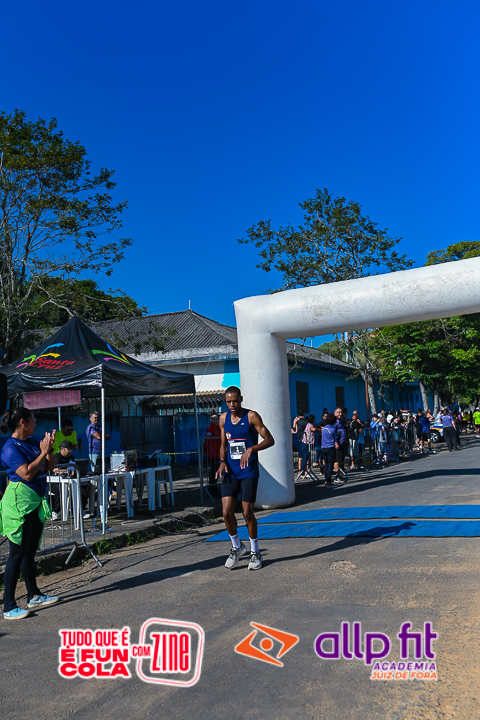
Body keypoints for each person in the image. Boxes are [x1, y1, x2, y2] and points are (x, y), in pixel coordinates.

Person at [0, 407, 58, 620]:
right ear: (23, 422)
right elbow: (25, 473)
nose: (36, 423)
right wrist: (42, 452)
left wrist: (49, 450)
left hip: (35, 502)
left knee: (29, 551)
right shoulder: (10, 448)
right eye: (33, 420)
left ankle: (33, 594)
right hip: (20, 503)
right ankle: (8, 606)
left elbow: (50, 466)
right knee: (16, 554)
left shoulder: (33, 441)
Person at [216, 386, 274, 571]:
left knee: (247, 512)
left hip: (248, 470)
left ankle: (255, 552)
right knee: (226, 512)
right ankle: (237, 546)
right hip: (231, 471)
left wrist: (251, 449)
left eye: (235, 401)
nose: (232, 404)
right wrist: (222, 462)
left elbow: (269, 439)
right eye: (229, 401)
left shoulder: (251, 416)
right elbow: (223, 444)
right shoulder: (223, 418)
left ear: (241, 399)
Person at [49, 440, 75, 520]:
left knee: (83, 487)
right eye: (69, 449)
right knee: (60, 488)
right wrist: (67, 472)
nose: (70, 451)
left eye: (71, 449)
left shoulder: (71, 457)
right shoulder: (56, 457)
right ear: (62, 449)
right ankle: (54, 511)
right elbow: (56, 470)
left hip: (67, 479)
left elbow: (74, 467)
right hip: (53, 480)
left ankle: (79, 509)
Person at [204, 413, 221, 495]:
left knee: (217, 471)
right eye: (213, 419)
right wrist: (205, 450)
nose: (215, 420)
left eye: (216, 419)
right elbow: (206, 441)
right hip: (212, 454)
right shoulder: (211, 429)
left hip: (219, 453)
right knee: (213, 472)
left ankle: (214, 487)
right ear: (211, 420)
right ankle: (212, 488)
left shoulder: (219, 428)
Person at [322, 414, 341, 487]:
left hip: (323, 447)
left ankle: (326, 480)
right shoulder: (333, 429)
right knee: (330, 465)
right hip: (330, 447)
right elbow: (335, 438)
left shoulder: (324, 428)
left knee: (326, 464)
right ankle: (329, 481)